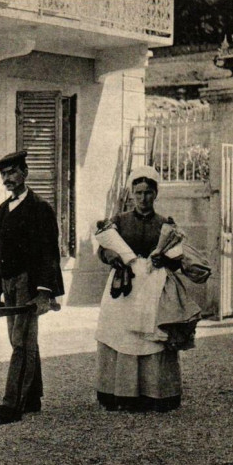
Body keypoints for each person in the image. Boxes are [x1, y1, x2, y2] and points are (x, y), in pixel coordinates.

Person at [94, 165, 200, 413]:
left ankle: (156, 394)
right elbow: (102, 250)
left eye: (148, 193)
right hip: (124, 286)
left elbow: (177, 259)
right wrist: (111, 255)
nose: (143, 198)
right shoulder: (119, 221)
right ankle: (120, 393)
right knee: (120, 335)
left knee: (153, 337)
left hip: (155, 286)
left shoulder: (166, 224)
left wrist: (166, 260)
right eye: (138, 193)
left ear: (156, 194)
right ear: (131, 193)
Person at [0, 150, 64, 425]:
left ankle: (11, 405)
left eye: (13, 172)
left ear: (25, 173)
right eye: (3, 174)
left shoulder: (40, 208)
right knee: (23, 341)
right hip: (9, 283)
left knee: (21, 343)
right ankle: (32, 398)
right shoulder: (3, 210)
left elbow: (49, 253)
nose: (8, 178)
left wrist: (43, 292)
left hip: (29, 284)